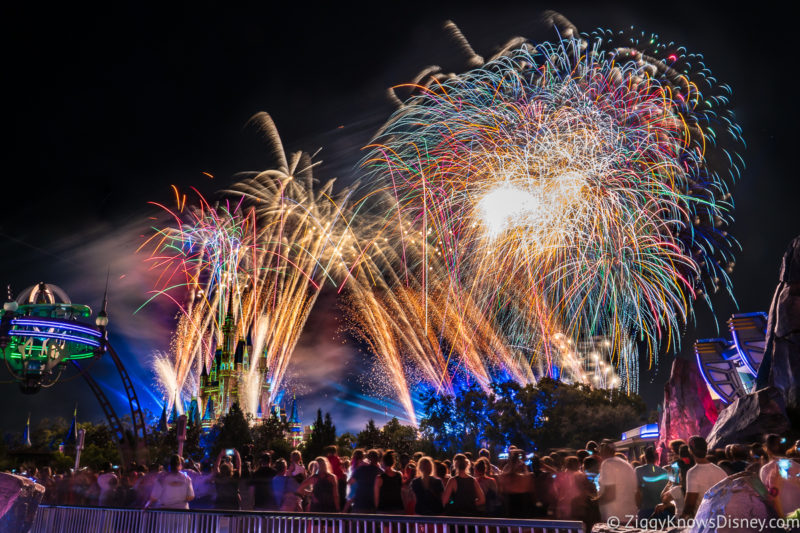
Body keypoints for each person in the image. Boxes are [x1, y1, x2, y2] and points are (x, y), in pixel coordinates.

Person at [682, 435, 727, 518]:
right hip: (721, 519)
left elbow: (690, 504)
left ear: (690, 451)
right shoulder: (720, 471)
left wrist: (681, 518)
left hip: (703, 520)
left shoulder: (693, 473)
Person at [595, 441, 637, 523]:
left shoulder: (607, 463)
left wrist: (593, 502)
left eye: (600, 450)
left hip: (614, 516)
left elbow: (609, 494)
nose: (599, 453)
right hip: (630, 515)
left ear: (605, 451)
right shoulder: (627, 465)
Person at [760, 434, 800, 517]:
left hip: (786, 517)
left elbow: (768, 497)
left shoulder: (764, 470)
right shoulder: (795, 465)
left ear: (766, 449)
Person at [635, 446, 669, 519]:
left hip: (645, 509)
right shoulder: (664, 472)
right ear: (657, 457)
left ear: (645, 457)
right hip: (661, 510)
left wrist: (638, 507)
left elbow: (637, 491)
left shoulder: (638, 470)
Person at [498, 450, 532, 518]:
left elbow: (500, 491)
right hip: (521, 506)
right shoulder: (523, 477)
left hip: (509, 506)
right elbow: (529, 486)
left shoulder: (504, 476)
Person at [374, 450, 404, 514]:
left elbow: (376, 497)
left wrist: (375, 510)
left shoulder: (379, 478)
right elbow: (402, 493)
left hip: (384, 511)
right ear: (393, 462)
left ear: (383, 463)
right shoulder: (399, 475)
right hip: (398, 509)